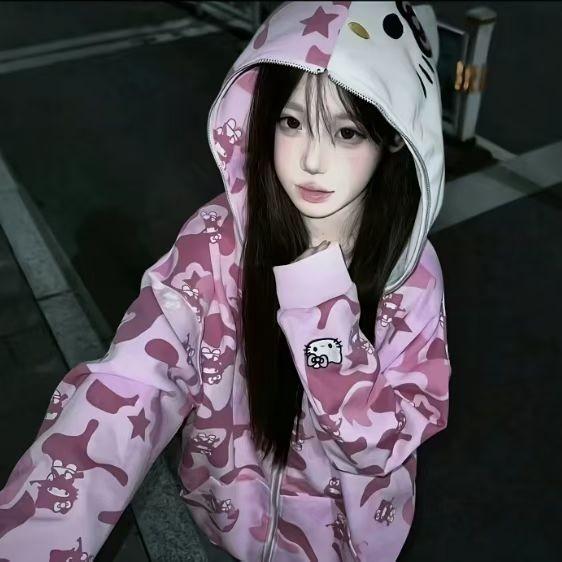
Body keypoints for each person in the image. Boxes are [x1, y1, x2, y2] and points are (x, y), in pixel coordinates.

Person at [0, 1, 451, 561]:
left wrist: (320, 312)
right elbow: (134, 380)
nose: (312, 160)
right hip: (224, 525)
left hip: (346, 547)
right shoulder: (218, 239)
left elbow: (380, 445)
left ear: (394, 136)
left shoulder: (412, 275)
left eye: (347, 132)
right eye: (291, 122)